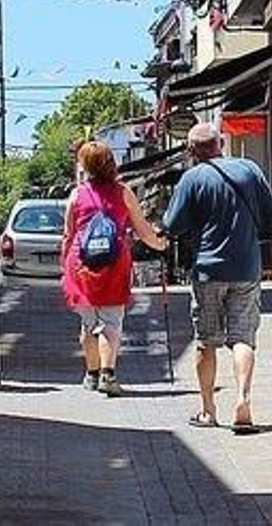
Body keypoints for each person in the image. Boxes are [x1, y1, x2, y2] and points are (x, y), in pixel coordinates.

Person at [163, 123, 272, 433]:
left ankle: (208, 410)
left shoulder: (191, 178)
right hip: (246, 269)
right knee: (243, 338)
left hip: (208, 272)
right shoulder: (249, 170)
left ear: (191, 151)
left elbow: (173, 224)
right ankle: (242, 399)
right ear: (221, 143)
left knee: (206, 341)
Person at [61, 141, 170, 396]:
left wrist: (65, 266)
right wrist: (161, 245)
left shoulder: (76, 195)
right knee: (110, 322)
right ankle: (108, 375)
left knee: (88, 323)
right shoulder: (123, 193)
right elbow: (143, 230)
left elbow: (68, 234)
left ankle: (91, 374)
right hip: (114, 263)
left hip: (81, 263)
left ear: (86, 167)